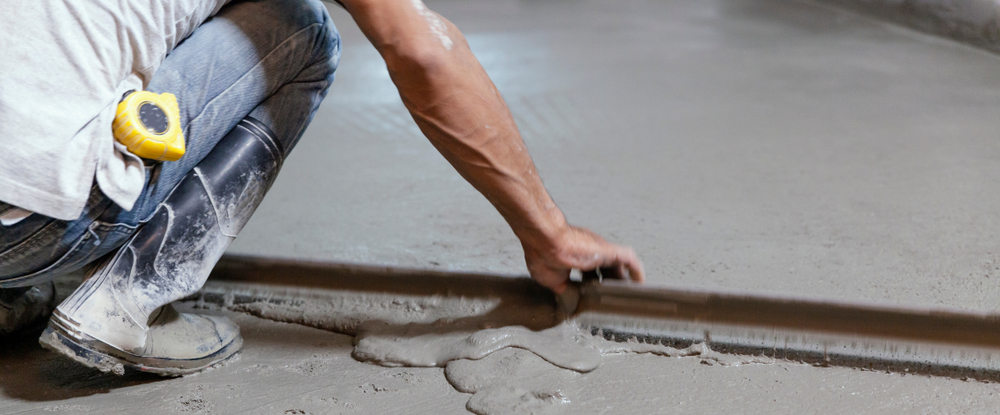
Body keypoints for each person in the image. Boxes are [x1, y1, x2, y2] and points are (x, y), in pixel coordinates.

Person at [0, 0, 644, 376]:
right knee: (300, 26)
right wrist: (548, 232)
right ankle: (128, 304)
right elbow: (422, 51)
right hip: (30, 228)